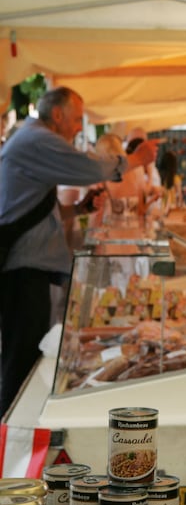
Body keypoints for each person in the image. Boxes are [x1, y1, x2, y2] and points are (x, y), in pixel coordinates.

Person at [0, 86, 158, 417]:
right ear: (56, 115)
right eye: (75, 120)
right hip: (24, 271)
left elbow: (37, 211)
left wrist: (79, 208)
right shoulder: (36, 139)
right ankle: (13, 433)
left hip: (30, 268)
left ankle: (17, 424)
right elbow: (87, 167)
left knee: (25, 353)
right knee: (22, 358)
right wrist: (135, 160)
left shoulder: (31, 139)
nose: (76, 128)